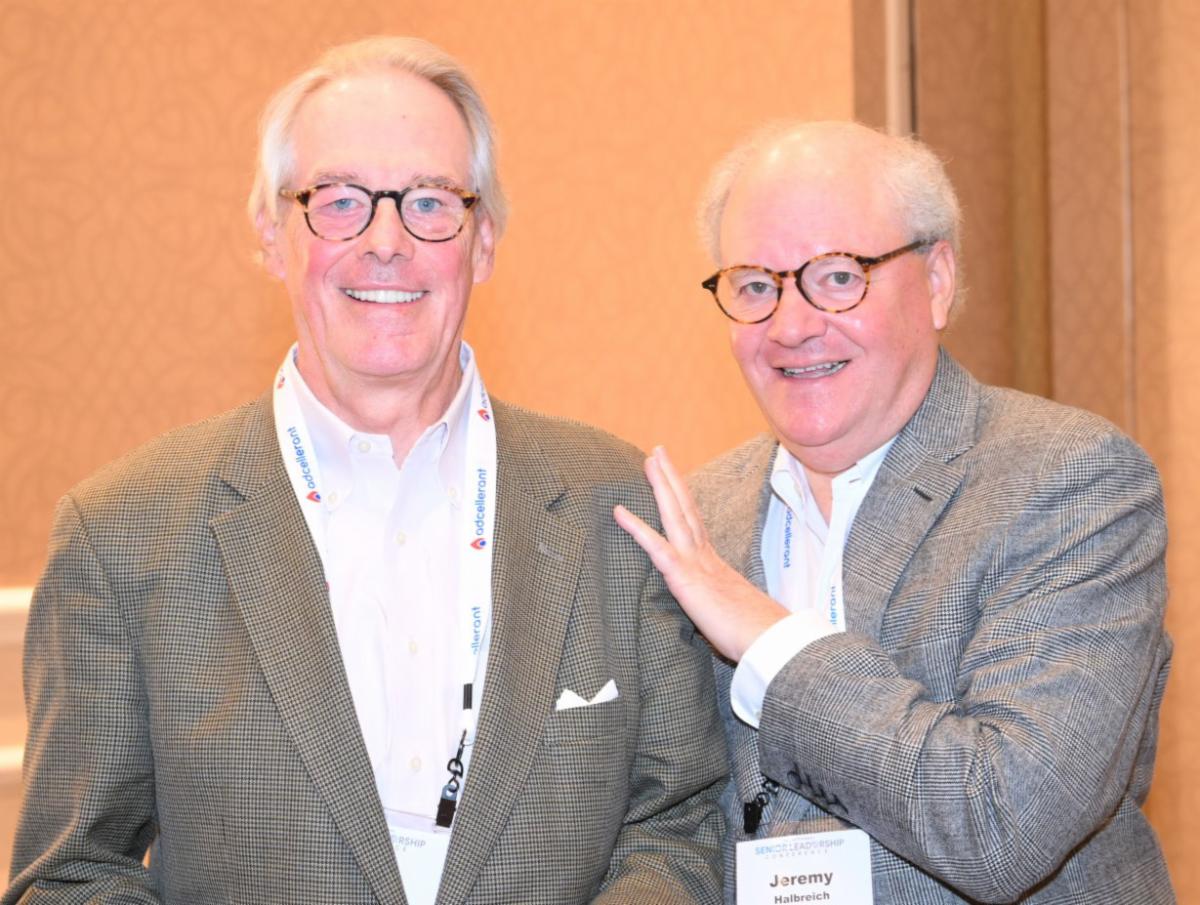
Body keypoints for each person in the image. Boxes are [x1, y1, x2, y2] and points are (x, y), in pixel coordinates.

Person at [6, 37, 725, 905]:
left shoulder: (619, 507)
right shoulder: (122, 534)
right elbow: (75, 875)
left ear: (484, 241)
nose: (387, 242)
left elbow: (677, 824)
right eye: (340, 202)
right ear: (272, 235)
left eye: (430, 202)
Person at [615, 121, 1174, 903]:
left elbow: (1004, 824)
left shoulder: (1071, 481)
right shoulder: (696, 521)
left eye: (838, 277)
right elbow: (663, 822)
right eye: (755, 286)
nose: (791, 325)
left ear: (937, 280)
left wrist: (769, 640)